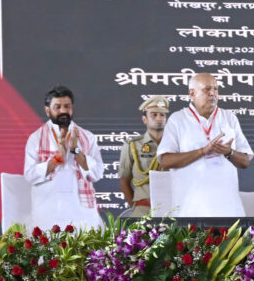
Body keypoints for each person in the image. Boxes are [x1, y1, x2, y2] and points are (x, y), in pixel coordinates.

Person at [157, 73, 253, 217]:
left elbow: (245, 161)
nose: (212, 93)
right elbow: (165, 161)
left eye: (216, 89)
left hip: (229, 210)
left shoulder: (229, 117)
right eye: (207, 89)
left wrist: (229, 153)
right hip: (189, 211)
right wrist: (202, 151)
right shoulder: (178, 119)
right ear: (192, 93)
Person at [22, 85, 104, 229]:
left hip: (81, 212)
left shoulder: (87, 137)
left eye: (67, 106)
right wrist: (56, 159)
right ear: (47, 111)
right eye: (57, 107)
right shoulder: (36, 138)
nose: (63, 111)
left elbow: (97, 173)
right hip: (48, 211)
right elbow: (30, 175)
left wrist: (76, 151)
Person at [118, 96, 169, 217]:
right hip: (143, 209)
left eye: (162, 115)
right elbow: (124, 180)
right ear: (144, 119)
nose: (159, 118)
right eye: (154, 115)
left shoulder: (176, 145)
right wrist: (136, 207)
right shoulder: (133, 145)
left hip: (171, 210)